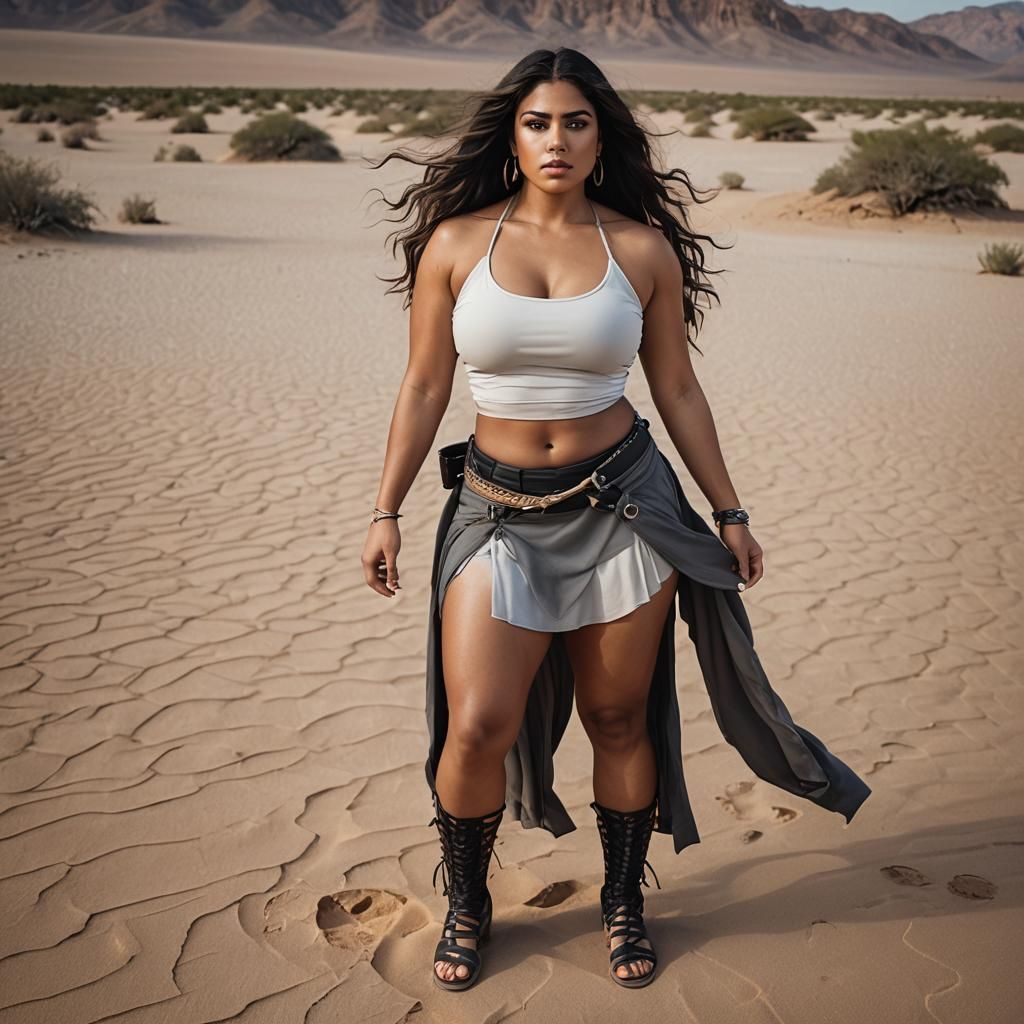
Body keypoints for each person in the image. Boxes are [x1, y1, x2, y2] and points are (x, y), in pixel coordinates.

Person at [361, 48, 871, 993]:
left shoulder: (638, 249)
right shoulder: (456, 243)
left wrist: (730, 509)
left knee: (618, 715)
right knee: (476, 723)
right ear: (511, 137)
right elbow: (427, 382)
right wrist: (385, 509)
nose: (558, 140)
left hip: (625, 504)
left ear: (603, 135)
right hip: (496, 510)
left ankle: (623, 898)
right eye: (538, 122)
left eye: (577, 122)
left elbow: (675, 385)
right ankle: (470, 898)